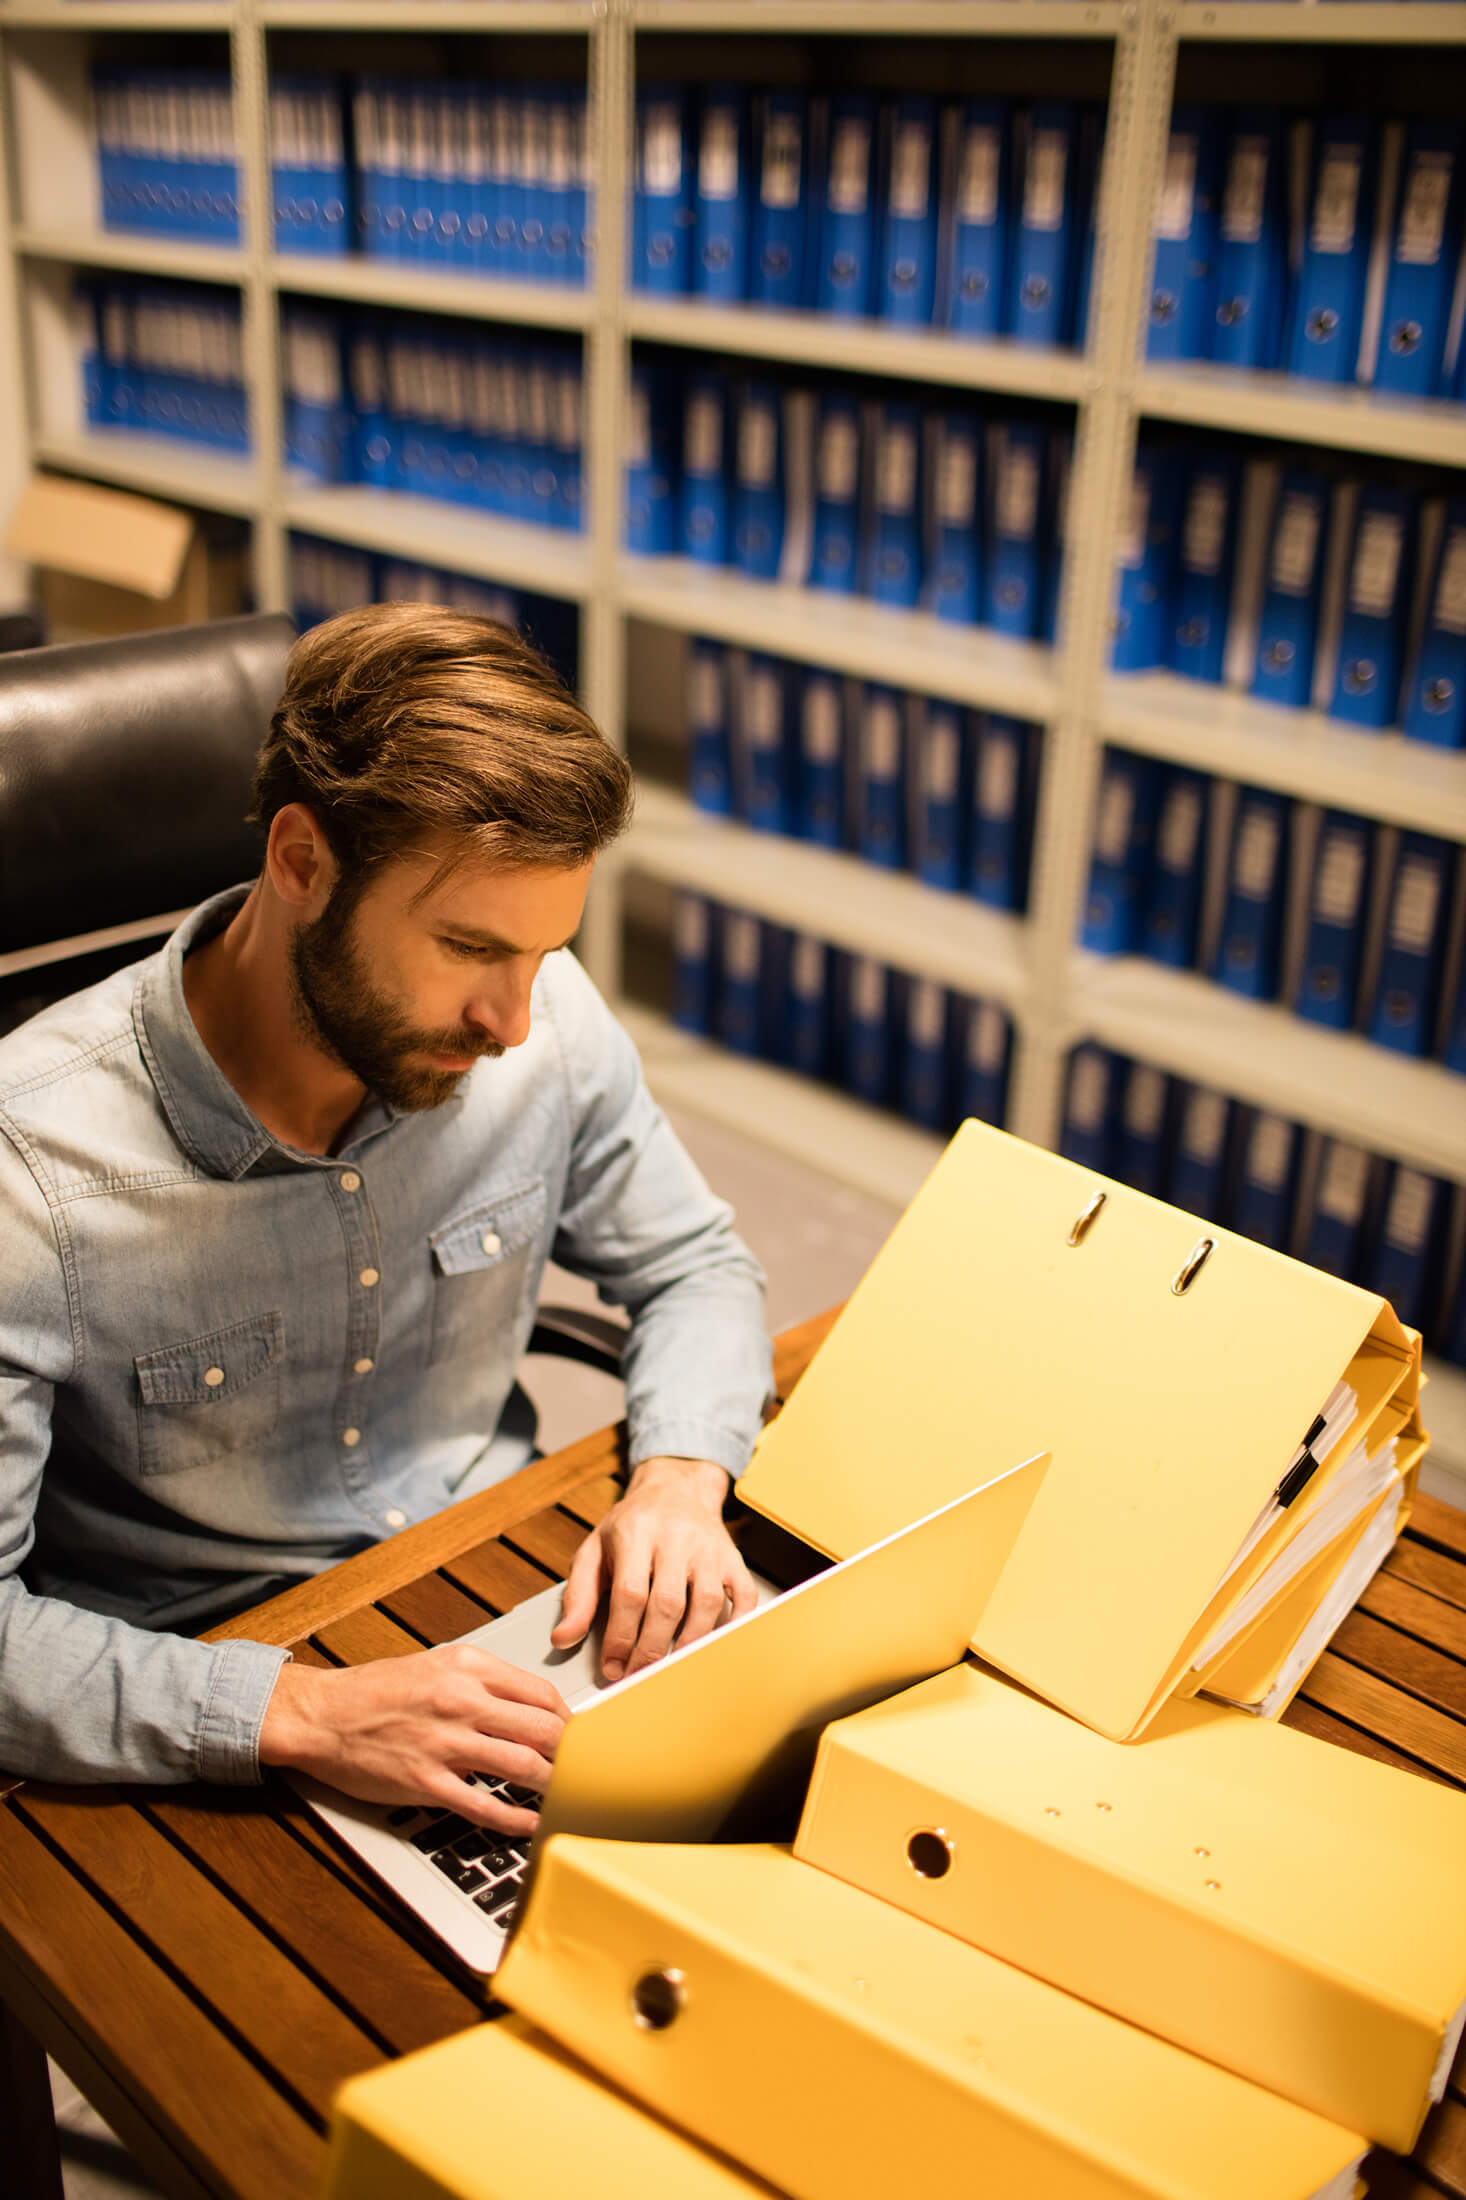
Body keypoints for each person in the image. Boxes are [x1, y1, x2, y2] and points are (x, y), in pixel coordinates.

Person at [0, 604, 771, 1838]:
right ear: (301, 861)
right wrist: (302, 1713)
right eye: (468, 946)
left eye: (542, 952)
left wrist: (680, 1481)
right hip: (212, 1698)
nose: (511, 1021)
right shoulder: (30, 1168)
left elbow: (692, 1263)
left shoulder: (545, 1025)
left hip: (513, 1587)